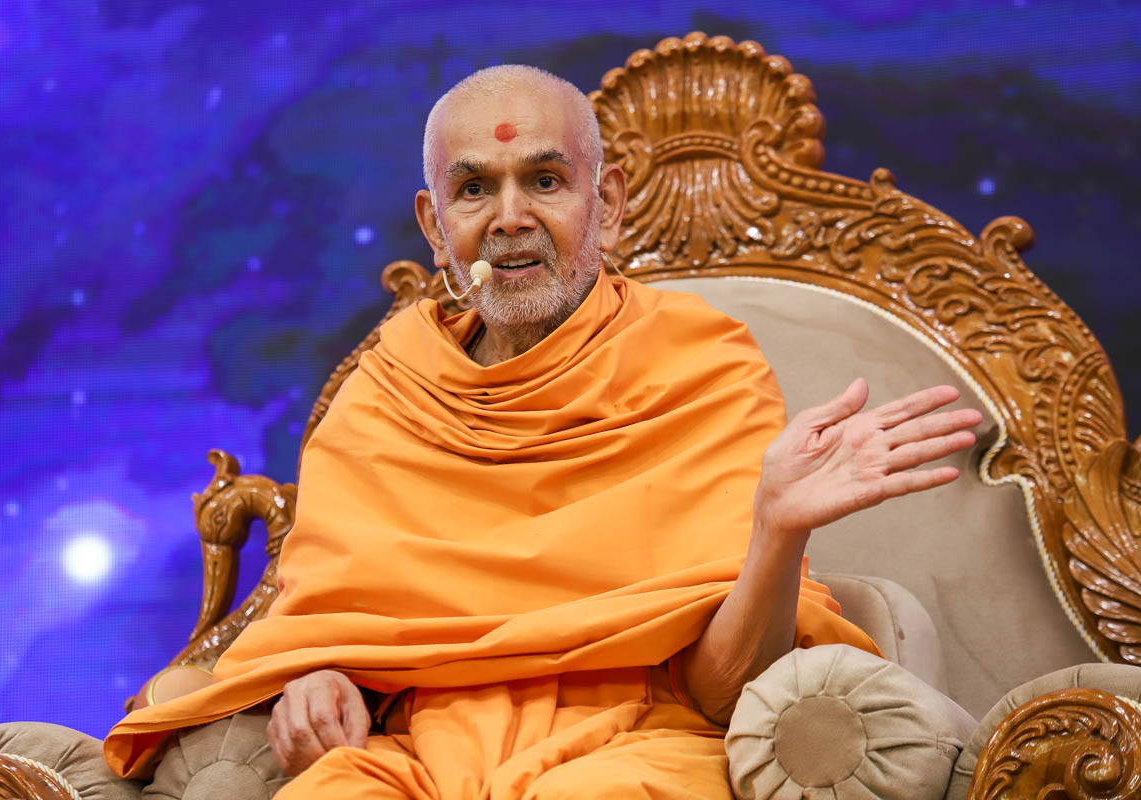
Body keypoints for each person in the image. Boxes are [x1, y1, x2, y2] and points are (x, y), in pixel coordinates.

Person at [104, 65, 982, 798]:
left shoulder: (699, 363)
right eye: (474, 189)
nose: (510, 217)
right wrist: (320, 676)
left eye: (546, 181)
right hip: (417, 757)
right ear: (435, 226)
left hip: (637, 745)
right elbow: (334, 621)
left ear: (610, 203)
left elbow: (727, 694)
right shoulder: (386, 390)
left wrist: (776, 531)